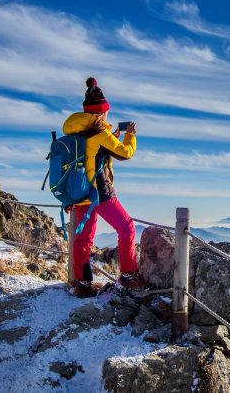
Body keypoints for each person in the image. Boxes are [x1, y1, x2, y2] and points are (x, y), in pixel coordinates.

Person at [63, 77, 144, 297]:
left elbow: (93, 153)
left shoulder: (76, 132)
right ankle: (128, 275)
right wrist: (130, 136)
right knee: (126, 227)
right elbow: (125, 153)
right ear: (101, 112)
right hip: (100, 193)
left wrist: (112, 138)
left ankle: (81, 284)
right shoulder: (100, 133)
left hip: (79, 192)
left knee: (83, 238)